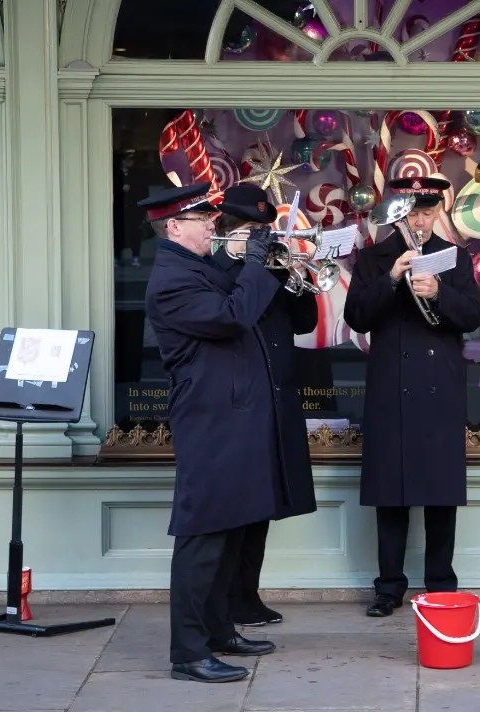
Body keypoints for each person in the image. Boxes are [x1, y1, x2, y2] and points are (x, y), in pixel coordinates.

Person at [141, 183, 287, 683]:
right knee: (202, 537)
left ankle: (221, 630)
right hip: (209, 424)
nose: (213, 226)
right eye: (204, 219)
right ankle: (188, 651)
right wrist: (256, 262)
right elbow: (234, 316)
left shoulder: (199, 268)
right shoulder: (171, 281)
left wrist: (265, 259)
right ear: (174, 227)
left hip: (233, 420)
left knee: (231, 532)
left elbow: (241, 295)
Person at [343, 176, 480, 618]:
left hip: (439, 386)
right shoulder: (373, 258)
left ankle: (441, 584)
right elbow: (357, 318)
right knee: (392, 491)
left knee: (440, 492)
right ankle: (389, 586)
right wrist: (391, 279)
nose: (419, 222)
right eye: (411, 214)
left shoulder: (455, 258)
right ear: (397, 213)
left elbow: (473, 317)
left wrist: (440, 292)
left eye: (426, 213)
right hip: (391, 386)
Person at [211, 184, 319, 628]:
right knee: (238, 508)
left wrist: (293, 273)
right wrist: (253, 264)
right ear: (229, 229)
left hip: (278, 395)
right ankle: (227, 598)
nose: (260, 237)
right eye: (251, 229)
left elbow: (306, 323)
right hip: (240, 403)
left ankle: (248, 594)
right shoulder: (213, 269)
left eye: (263, 229)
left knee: (264, 505)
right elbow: (230, 317)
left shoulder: (271, 265)